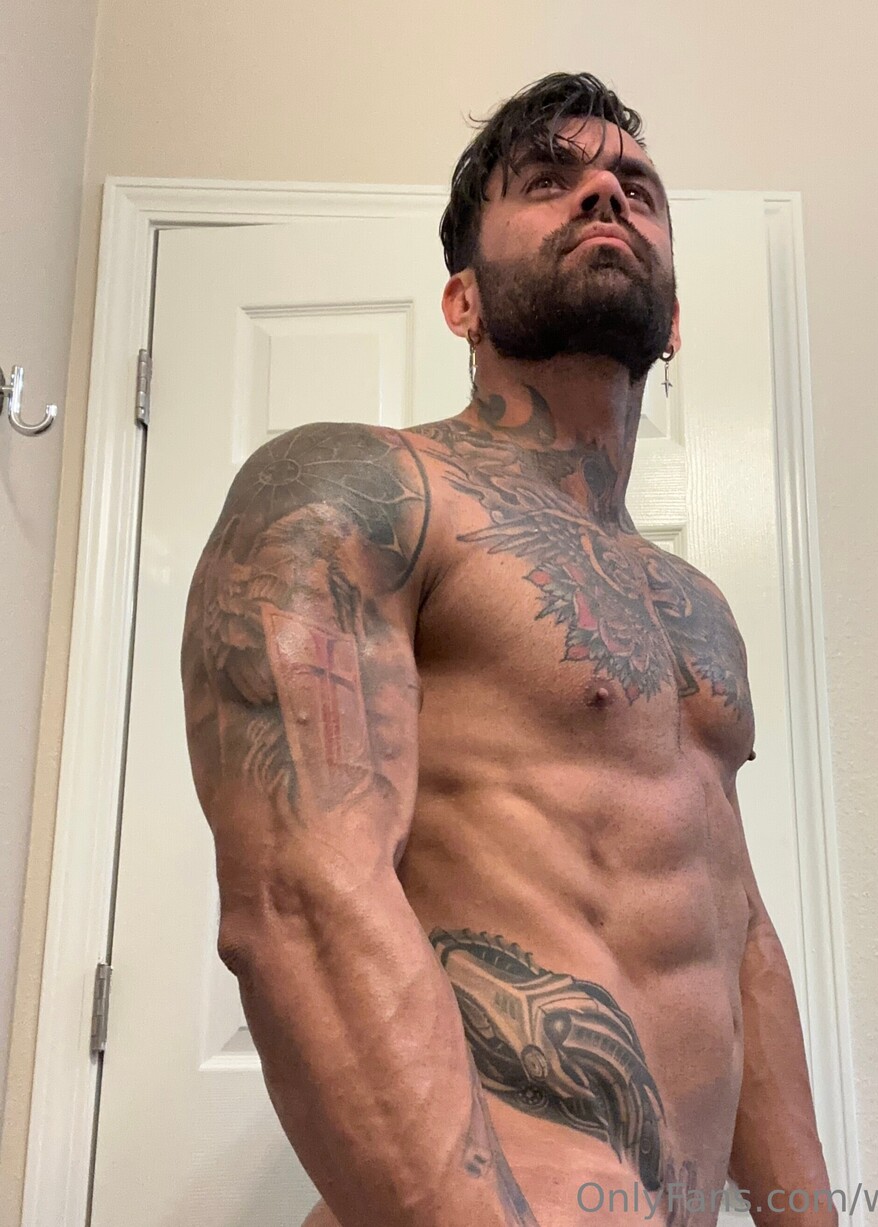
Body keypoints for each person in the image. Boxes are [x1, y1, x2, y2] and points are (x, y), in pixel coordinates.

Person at [180, 71, 837, 1227]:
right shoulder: (365, 491)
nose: (606, 194)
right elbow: (300, 899)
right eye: (550, 181)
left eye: (637, 187)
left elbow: (736, 936)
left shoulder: (697, 608)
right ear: (463, 301)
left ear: (676, 319)